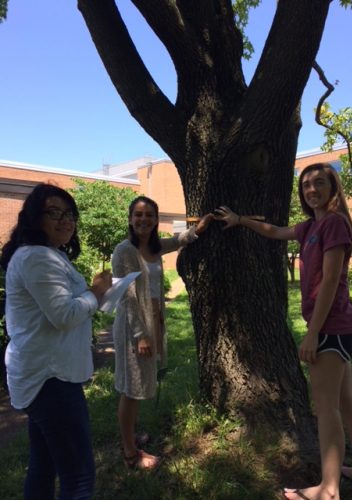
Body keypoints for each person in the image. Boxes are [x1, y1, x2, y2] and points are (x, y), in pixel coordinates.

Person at [214, 163, 352, 500]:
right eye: (306, 186)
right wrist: (240, 219)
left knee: (326, 407)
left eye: (319, 183)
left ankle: (329, 490)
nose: (312, 190)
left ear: (333, 188)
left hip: (331, 327)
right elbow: (274, 231)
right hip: (337, 326)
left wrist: (313, 332)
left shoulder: (334, 224)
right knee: (346, 402)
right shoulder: (311, 227)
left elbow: (330, 281)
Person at [0, 183, 112, 500]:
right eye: (54, 213)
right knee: (79, 478)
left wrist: (96, 295)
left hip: (43, 374)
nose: (65, 220)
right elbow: (64, 315)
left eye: (69, 214)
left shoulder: (46, 254)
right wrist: (97, 292)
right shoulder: (38, 258)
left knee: (44, 465)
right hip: (52, 378)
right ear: (36, 218)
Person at [112, 195, 213, 470]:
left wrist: (197, 230)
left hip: (153, 321)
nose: (144, 220)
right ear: (130, 219)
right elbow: (127, 297)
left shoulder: (154, 247)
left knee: (140, 383)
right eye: (139, 215)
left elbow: (176, 241)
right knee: (131, 388)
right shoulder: (124, 251)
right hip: (135, 327)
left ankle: (131, 437)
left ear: (156, 220)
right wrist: (141, 334)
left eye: (149, 215)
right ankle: (130, 453)